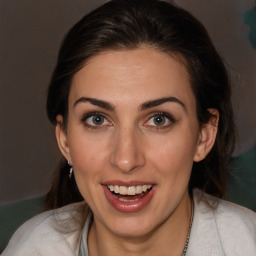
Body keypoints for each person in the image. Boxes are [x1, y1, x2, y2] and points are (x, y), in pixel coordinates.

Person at [2, 0, 256, 255]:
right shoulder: (30, 247)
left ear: (203, 136)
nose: (125, 160)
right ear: (65, 139)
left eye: (158, 119)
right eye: (97, 120)